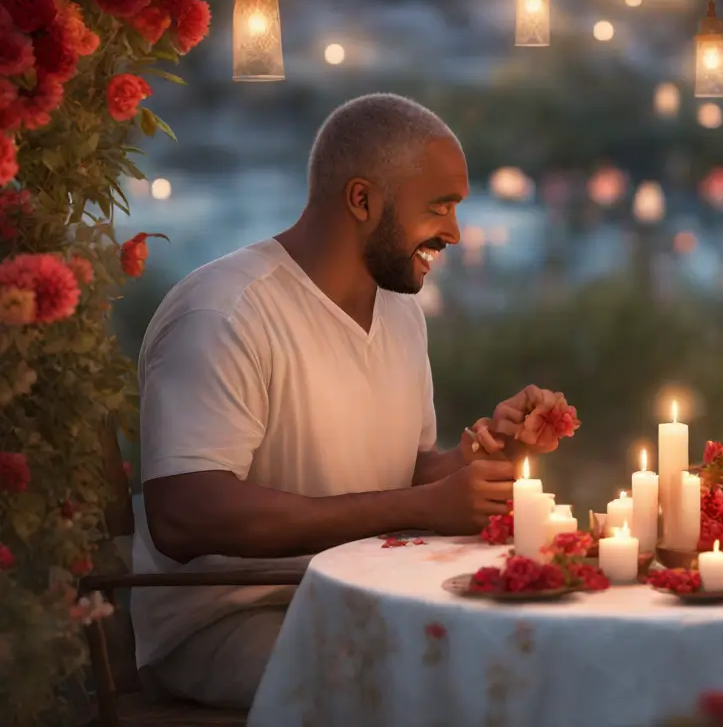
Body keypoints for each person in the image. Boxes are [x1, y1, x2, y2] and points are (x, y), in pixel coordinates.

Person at [131, 93, 566, 710]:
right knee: (434, 693)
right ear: (362, 200)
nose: (455, 232)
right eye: (439, 207)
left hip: (357, 601)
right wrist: (420, 505)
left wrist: (486, 456)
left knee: (517, 663)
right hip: (231, 620)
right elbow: (183, 516)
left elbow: (407, 472)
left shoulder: (401, 312)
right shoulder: (225, 311)